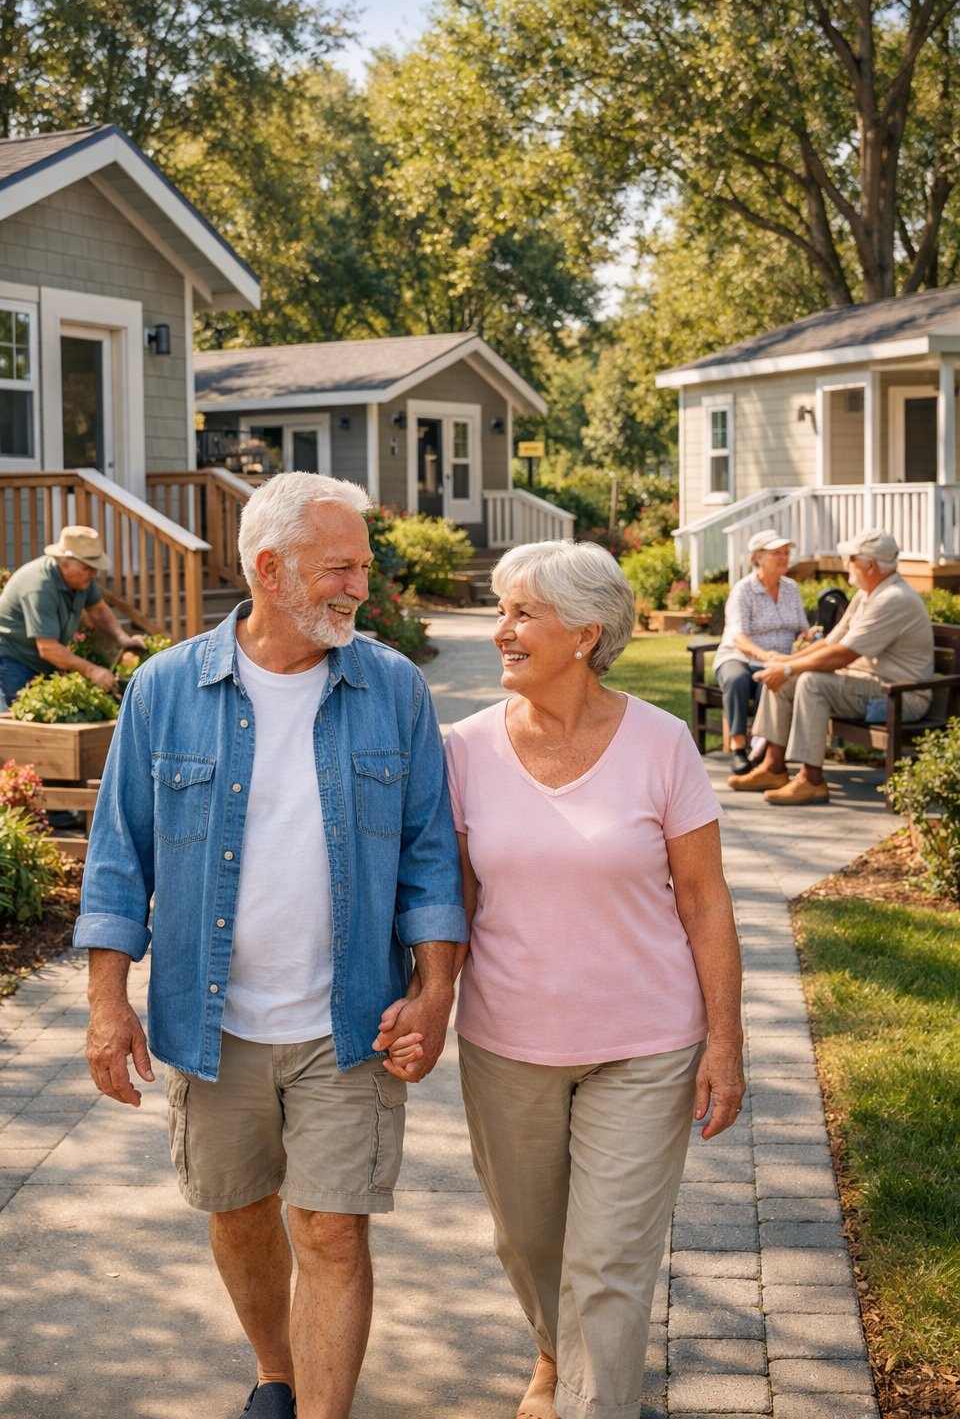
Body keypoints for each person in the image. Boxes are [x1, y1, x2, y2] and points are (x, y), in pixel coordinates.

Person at [74, 472, 466, 1419]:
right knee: (240, 1212)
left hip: (351, 1019)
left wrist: (435, 990)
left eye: (362, 568)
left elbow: (429, 856)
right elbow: (119, 856)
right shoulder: (167, 688)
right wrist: (105, 1002)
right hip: (211, 1024)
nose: (358, 588)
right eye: (340, 568)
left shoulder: (394, 687)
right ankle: (275, 1377)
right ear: (269, 569)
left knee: (331, 1230)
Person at [383, 539, 744, 1419]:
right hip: (510, 1043)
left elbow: (704, 902)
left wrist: (726, 1044)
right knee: (531, 1242)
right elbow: (451, 900)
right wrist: (431, 1002)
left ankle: (590, 1400)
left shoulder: (661, 744)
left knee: (609, 1260)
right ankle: (556, 1353)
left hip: (648, 1043)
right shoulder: (462, 749)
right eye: (501, 611)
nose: (499, 630)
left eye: (519, 614)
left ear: (585, 634)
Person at [730, 528, 935, 806]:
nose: (845, 564)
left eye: (850, 558)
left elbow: (843, 655)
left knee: (811, 682)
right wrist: (784, 662)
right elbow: (832, 641)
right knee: (781, 677)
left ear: (870, 565)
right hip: (871, 686)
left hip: (900, 696)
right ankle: (773, 768)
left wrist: (791, 668)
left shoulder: (893, 599)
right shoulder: (868, 594)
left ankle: (811, 780)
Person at [0, 524, 144, 709]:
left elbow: (98, 610)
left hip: (42, 656)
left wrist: (122, 638)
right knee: (19, 716)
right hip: (10, 653)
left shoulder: (83, 579)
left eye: (94, 568)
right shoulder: (39, 587)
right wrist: (92, 670)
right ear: (65, 565)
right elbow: (48, 648)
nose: (93, 574)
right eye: (88, 568)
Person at [712, 530, 817, 774]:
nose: (784, 558)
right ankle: (738, 747)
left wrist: (807, 635)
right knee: (737, 679)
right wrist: (765, 656)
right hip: (739, 656)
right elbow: (738, 637)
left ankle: (761, 750)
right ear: (758, 557)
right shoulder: (744, 590)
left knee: (771, 683)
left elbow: (801, 627)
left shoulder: (791, 589)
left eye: (786, 553)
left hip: (777, 659)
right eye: (776, 553)